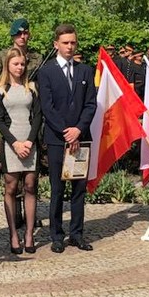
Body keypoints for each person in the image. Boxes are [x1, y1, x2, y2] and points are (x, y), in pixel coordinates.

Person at [37, 24, 97, 253]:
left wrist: (78, 130)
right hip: (57, 139)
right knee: (57, 189)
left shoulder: (85, 71)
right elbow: (47, 107)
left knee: (79, 188)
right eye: (65, 43)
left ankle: (77, 234)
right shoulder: (46, 72)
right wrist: (66, 132)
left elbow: (91, 104)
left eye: (73, 42)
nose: (70, 46)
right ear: (56, 45)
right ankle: (57, 236)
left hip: (81, 138)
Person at [0, 17, 44, 229]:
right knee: (12, 180)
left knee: (30, 181)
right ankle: (16, 218)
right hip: (10, 116)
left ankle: (28, 219)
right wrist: (1, 99)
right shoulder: (1, 57)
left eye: (25, 33)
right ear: (12, 35)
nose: (22, 37)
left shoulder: (38, 57)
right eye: (19, 33)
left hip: (30, 115)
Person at [0, 48, 42, 254]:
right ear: (8, 65)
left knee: (30, 186)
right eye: (16, 64)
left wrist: (29, 141)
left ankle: (29, 234)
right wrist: (15, 143)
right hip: (11, 144)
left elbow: (38, 116)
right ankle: (13, 234)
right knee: (11, 187)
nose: (20, 67)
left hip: (30, 142)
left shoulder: (32, 87)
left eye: (22, 64)